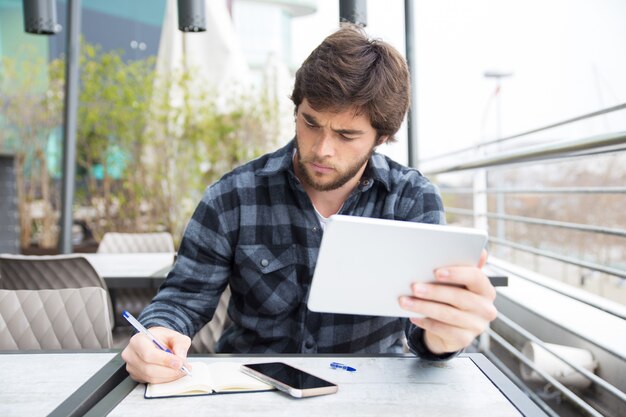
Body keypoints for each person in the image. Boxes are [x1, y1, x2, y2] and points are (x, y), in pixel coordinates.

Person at [122, 24, 497, 384]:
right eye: (311, 122)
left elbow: (421, 330)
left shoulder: (412, 199)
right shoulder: (233, 195)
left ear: (382, 137)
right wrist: (156, 334)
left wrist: (445, 337)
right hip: (248, 387)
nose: (322, 149)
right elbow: (183, 297)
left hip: (369, 391)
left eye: (347, 135)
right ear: (296, 109)